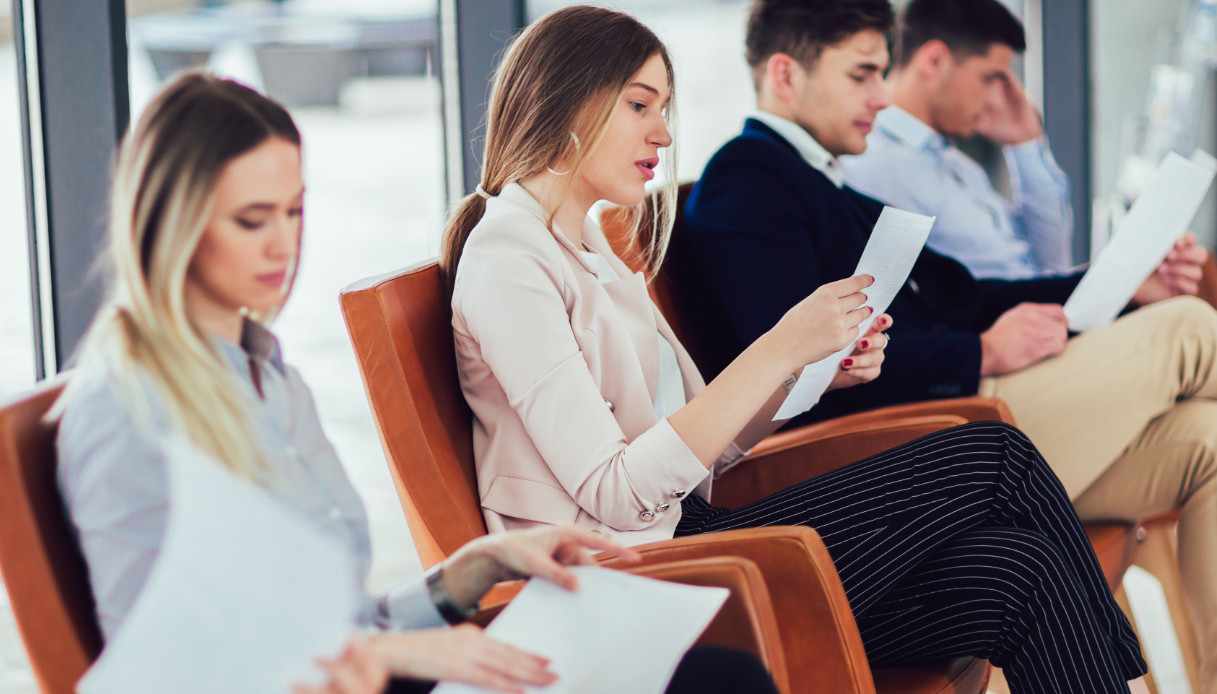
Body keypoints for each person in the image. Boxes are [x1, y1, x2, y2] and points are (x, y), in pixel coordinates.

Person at [444, 5, 1150, 692]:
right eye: (640, 105)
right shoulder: (509, 258)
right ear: (569, 100)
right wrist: (781, 346)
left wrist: (810, 376)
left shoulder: (588, 247)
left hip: (693, 539)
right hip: (646, 579)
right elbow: (616, 494)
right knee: (994, 454)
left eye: (665, 108)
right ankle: (1126, 665)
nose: (662, 132)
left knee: (1016, 572)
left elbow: (708, 452)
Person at [53, 72, 780, 694]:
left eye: (295, 211)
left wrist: (469, 573)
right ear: (170, 224)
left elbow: (331, 622)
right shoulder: (124, 411)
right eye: (252, 219)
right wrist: (388, 656)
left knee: (714, 673)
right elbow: (169, 674)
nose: (284, 243)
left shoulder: (267, 378)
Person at [679, 0, 1217, 689]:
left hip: (966, 413)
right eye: (862, 75)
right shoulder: (747, 180)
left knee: (1207, 439)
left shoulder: (818, 180)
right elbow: (797, 370)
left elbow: (965, 296)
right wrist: (982, 354)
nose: (881, 97)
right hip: (922, 432)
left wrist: (1111, 286)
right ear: (785, 74)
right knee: (1191, 328)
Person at [841, 0, 1074, 280]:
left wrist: (1026, 145)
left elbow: (1051, 261)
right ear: (934, 61)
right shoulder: (875, 164)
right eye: (989, 78)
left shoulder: (956, 163)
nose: (994, 100)